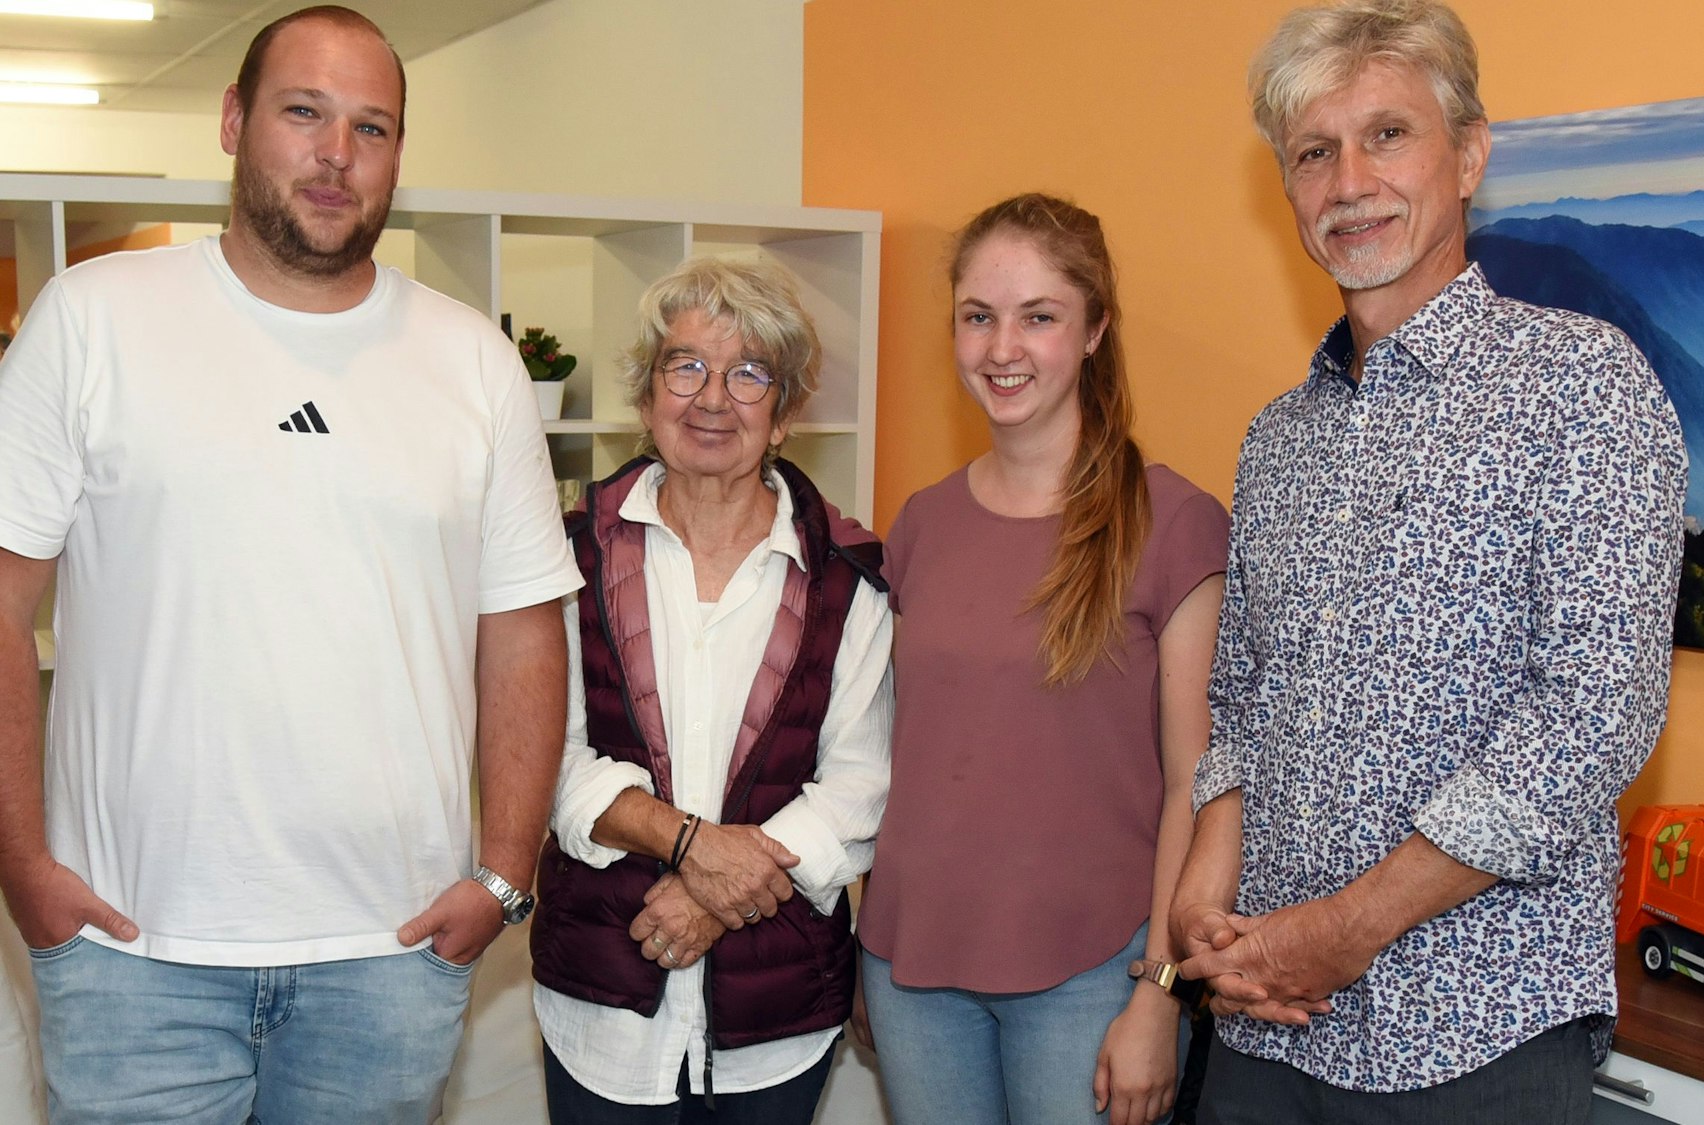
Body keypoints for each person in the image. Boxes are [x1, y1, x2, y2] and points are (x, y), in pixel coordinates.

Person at [0, 7, 578, 1122]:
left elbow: (519, 627)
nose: (336, 155)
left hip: (391, 955)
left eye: (372, 127)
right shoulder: (92, 321)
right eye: (303, 112)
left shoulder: (472, 361)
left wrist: (506, 873)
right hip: (133, 952)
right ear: (233, 122)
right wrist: (22, 863)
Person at [1170, 3, 1688, 1122]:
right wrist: (1205, 893)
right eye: (1313, 151)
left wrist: (1350, 927)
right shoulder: (1279, 436)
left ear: (1468, 155)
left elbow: (1592, 715)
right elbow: (1245, 698)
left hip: (1474, 1033)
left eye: (1387, 135)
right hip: (1265, 1018)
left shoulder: (1581, 389)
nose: (1348, 180)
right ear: (1288, 190)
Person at [858, 193, 1230, 1125]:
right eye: (978, 317)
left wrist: (1160, 992)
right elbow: (884, 754)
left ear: (1096, 329)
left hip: (1095, 973)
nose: (1001, 348)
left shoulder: (1174, 524)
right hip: (912, 966)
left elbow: (1198, 778)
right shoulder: (921, 523)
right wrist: (864, 942)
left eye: (1039, 317)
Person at [529, 256, 893, 1124]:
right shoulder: (569, 554)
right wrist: (691, 844)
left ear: (786, 412)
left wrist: (709, 895)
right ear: (647, 395)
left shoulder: (847, 575)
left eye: (749, 373)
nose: (712, 398)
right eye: (685, 366)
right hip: (602, 1000)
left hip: (776, 1018)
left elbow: (858, 786)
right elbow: (545, 752)